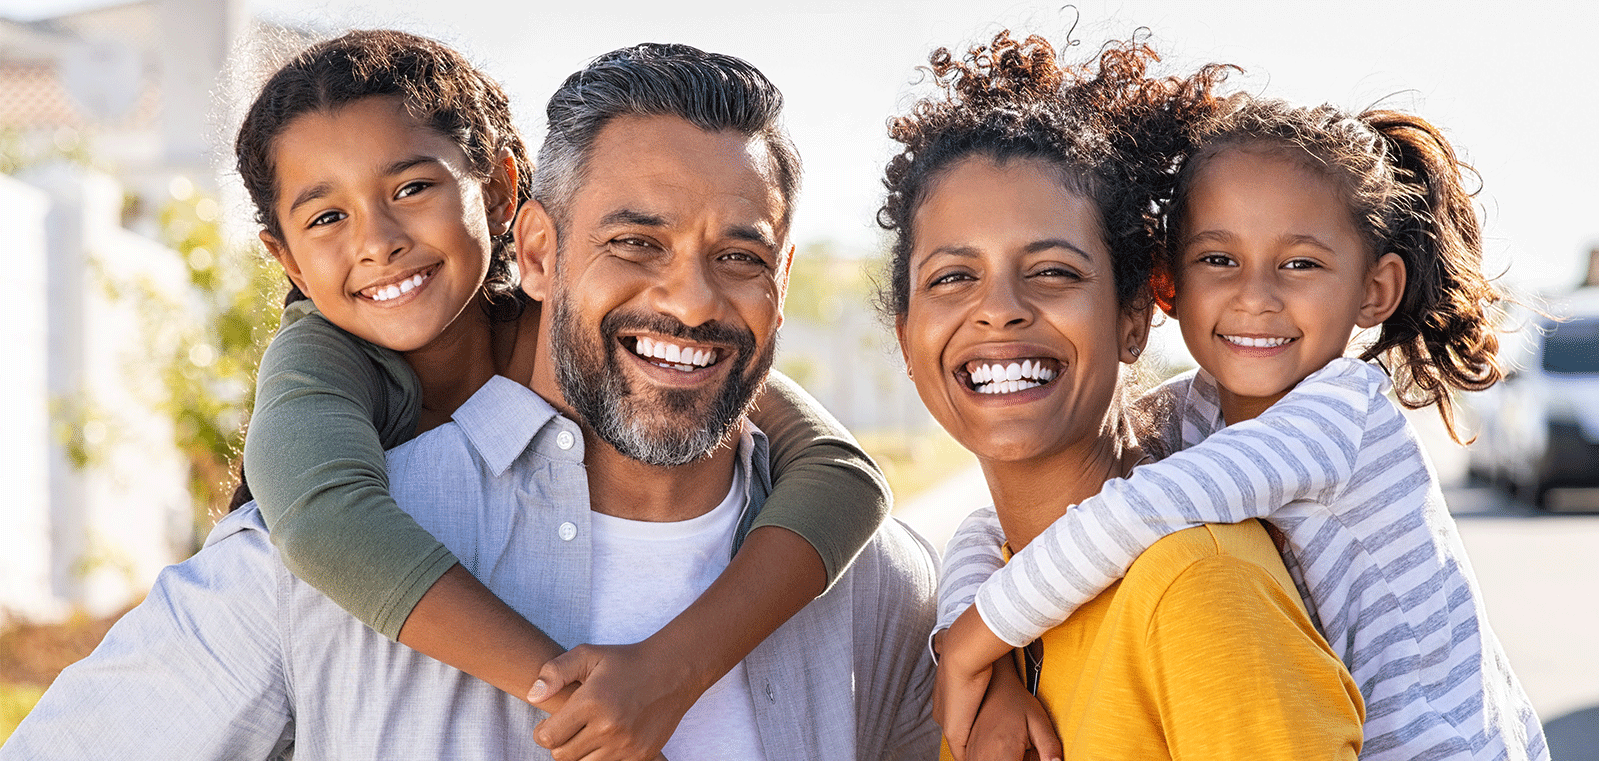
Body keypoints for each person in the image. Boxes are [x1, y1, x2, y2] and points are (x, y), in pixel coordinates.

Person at [3, 40, 938, 760]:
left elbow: (841, 471)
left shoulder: (872, 583)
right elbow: (323, 519)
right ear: (538, 251)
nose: (691, 301)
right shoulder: (301, 550)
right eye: (635, 242)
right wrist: (567, 694)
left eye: (738, 257)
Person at [932, 46, 1549, 761]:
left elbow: (1133, 510)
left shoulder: (1338, 416)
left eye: (1301, 263)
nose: (1256, 295)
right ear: (1169, 285)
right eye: (1219, 260)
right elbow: (995, 525)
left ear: (1374, 290)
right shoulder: (1198, 415)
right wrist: (979, 648)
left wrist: (977, 637)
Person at [878, 31, 1363, 761]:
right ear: (909, 338)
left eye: (1052, 271)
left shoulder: (1196, 584)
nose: (998, 308)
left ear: (1133, 318)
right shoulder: (989, 619)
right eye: (953, 277)